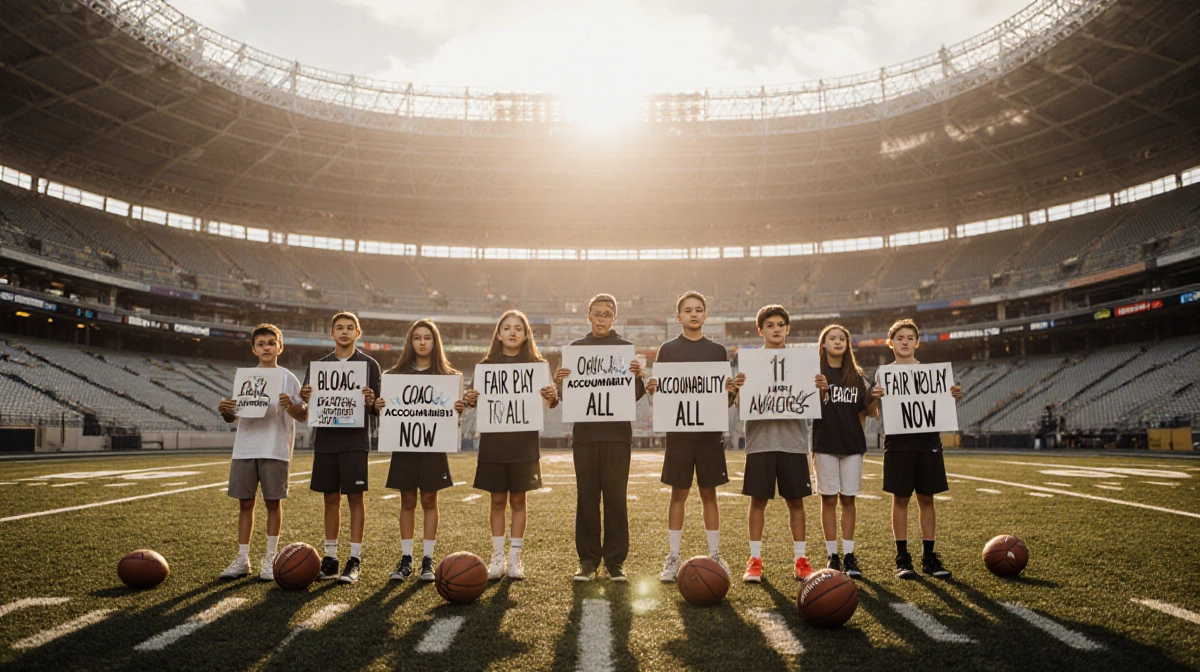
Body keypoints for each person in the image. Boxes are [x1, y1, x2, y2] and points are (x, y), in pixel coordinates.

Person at [646, 291, 738, 582]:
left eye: (699, 309)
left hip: (709, 433)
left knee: (709, 493)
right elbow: (662, 396)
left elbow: (723, 401)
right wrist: (653, 391)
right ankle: (673, 557)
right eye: (688, 310)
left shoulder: (718, 351)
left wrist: (731, 394)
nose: (694, 314)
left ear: (705, 315)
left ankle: (714, 555)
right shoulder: (668, 349)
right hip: (679, 434)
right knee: (679, 493)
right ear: (679, 316)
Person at [553, 294, 646, 582]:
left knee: (616, 499)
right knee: (587, 499)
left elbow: (635, 394)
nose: (602, 318)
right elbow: (569, 395)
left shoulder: (623, 349)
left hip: (617, 436)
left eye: (607, 313)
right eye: (596, 313)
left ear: (614, 317)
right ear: (588, 317)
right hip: (585, 436)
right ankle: (588, 561)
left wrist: (638, 377)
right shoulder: (576, 350)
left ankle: (615, 562)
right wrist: (561, 381)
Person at [464, 310, 558, 580]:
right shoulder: (484, 368)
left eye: (519, 327)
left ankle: (515, 558)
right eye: (507, 327)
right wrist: (471, 398)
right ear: (498, 333)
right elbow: (474, 403)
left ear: (527, 333)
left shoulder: (539, 366)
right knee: (496, 499)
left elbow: (550, 403)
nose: (513, 332)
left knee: (519, 499)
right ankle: (497, 556)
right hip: (494, 442)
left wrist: (553, 396)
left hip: (524, 442)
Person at [377, 319, 466, 582]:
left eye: (427, 337)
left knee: (429, 500)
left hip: (434, 446)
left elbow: (453, 417)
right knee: (407, 500)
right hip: (404, 446)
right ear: (410, 342)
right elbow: (387, 410)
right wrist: (380, 404)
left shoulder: (448, 377)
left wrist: (458, 410)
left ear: (435, 342)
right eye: (417, 337)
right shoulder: (395, 376)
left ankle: (428, 559)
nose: (422, 342)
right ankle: (406, 559)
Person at [733, 305, 816, 583]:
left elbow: (811, 401)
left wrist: (820, 388)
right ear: (760, 330)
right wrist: (740, 389)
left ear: (788, 328)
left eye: (781, 324)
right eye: (770, 325)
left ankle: (801, 560)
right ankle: (754, 560)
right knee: (758, 501)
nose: (776, 328)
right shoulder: (750, 364)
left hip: (793, 441)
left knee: (796, 502)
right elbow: (743, 407)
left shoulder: (801, 362)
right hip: (760, 442)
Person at [217, 324, 305, 581]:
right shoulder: (245, 376)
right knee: (245, 503)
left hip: (275, 447)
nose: (266, 347)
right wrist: (226, 410)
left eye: (271, 342)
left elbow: (303, 414)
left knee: (272, 503)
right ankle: (243, 557)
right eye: (261, 344)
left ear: (280, 346)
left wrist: (290, 407)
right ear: (253, 349)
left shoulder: (289, 377)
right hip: (245, 446)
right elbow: (233, 417)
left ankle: (270, 557)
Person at [299, 312, 381, 584]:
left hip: (355, 441)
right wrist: (306, 397)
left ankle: (354, 559)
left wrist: (371, 402)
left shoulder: (369, 365)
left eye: (349, 328)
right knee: (330, 498)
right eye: (339, 328)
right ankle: (331, 558)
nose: (344, 332)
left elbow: (378, 409)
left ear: (358, 333)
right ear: (331, 333)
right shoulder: (319, 366)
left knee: (355, 498)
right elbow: (309, 404)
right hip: (326, 439)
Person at [877, 319, 963, 580]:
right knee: (900, 499)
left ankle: (929, 556)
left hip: (928, 443)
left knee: (927, 498)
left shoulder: (931, 374)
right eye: (900, 337)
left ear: (917, 342)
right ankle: (902, 557)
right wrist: (875, 397)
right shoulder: (883, 374)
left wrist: (952, 397)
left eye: (909, 337)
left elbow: (940, 409)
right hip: (898, 444)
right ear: (891, 342)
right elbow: (879, 412)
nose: (905, 342)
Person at [812, 324, 882, 578]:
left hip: (852, 444)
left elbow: (870, 413)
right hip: (825, 443)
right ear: (823, 344)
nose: (838, 341)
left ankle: (850, 555)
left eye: (842, 338)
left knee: (849, 499)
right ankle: (832, 555)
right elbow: (810, 409)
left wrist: (875, 397)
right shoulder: (816, 374)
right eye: (832, 338)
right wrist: (819, 391)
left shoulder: (858, 376)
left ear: (847, 344)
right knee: (828, 499)